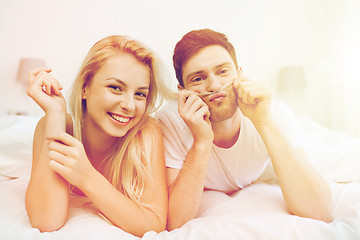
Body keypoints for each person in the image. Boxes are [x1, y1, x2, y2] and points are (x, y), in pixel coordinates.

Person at [154, 29, 333, 230]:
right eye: (198, 78)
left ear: (239, 74)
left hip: (264, 168)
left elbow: (321, 211)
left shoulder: (273, 112)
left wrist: (263, 122)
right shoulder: (168, 121)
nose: (214, 85)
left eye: (222, 71)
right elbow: (175, 222)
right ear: (182, 91)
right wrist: (201, 143)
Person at [25, 35, 168, 237]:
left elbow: (153, 224)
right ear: (85, 88)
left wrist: (87, 177)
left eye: (140, 94)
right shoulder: (53, 125)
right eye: (115, 88)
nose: (129, 105)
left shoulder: (146, 133)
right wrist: (55, 114)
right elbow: (46, 221)